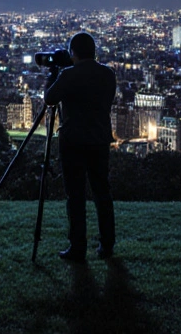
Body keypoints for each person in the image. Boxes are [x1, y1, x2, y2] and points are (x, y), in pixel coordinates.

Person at [45, 31, 117, 261]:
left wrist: (53, 75)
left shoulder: (68, 75)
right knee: (102, 193)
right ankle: (107, 244)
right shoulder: (108, 74)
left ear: (73, 53)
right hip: (100, 140)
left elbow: (49, 98)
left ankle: (78, 247)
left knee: (75, 196)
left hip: (73, 141)